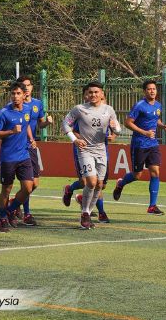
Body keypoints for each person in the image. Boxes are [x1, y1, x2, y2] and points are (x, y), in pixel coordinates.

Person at [62, 82, 121, 230]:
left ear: (102, 94)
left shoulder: (109, 110)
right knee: (91, 181)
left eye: (96, 92)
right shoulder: (80, 109)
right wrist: (74, 139)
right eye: (90, 92)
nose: (93, 95)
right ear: (87, 94)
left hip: (101, 151)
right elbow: (65, 124)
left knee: (100, 185)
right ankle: (84, 214)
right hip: (85, 150)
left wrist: (115, 131)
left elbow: (117, 127)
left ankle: (88, 211)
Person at [112, 80, 166, 215]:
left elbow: (156, 120)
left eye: (154, 89)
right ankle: (121, 183)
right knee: (137, 175)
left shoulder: (158, 105)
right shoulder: (139, 105)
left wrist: (163, 126)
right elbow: (128, 122)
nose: (152, 91)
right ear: (145, 91)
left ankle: (152, 206)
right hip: (139, 144)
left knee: (155, 172)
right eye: (149, 89)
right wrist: (144, 132)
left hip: (153, 144)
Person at [0, 82, 36, 233]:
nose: (15, 97)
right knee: (6, 189)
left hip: (24, 155)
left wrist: (31, 138)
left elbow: (27, 124)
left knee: (28, 187)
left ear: (24, 95)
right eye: (13, 94)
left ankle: (10, 209)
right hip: (8, 157)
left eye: (18, 94)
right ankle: (3, 218)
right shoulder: (4, 112)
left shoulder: (28, 109)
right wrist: (11, 131)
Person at [14, 76, 53, 226]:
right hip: (19, 146)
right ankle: (27, 213)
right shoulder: (15, 105)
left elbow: (40, 124)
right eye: (23, 86)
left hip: (32, 146)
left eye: (28, 85)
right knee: (27, 183)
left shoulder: (37, 104)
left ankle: (15, 203)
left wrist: (47, 123)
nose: (26, 88)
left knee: (34, 184)